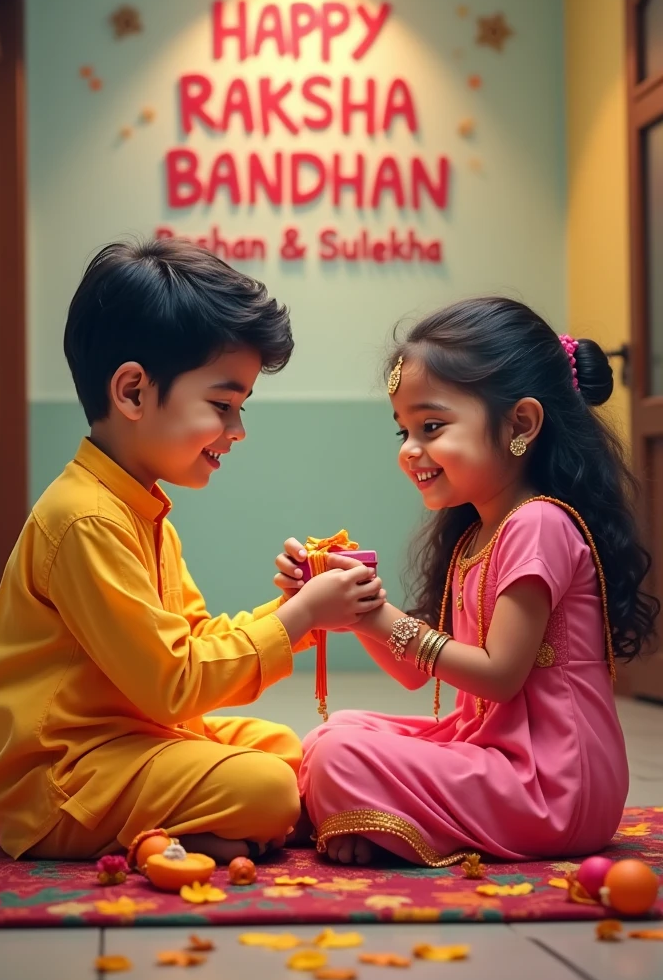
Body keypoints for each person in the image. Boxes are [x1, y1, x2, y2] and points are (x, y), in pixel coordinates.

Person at [0, 238, 384, 862]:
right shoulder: (85, 518)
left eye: (240, 408)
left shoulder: (143, 510)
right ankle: (207, 832)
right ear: (134, 392)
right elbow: (172, 684)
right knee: (271, 786)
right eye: (223, 406)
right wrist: (297, 618)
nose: (238, 431)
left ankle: (213, 835)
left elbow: (187, 643)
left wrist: (293, 617)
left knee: (288, 751)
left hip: (134, 740)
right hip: (64, 782)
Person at [276, 297, 658, 867]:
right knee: (335, 734)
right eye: (403, 430)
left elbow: (500, 677)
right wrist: (351, 604)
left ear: (520, 424)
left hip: (554, 787)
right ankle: (376, 820)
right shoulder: (475, 536)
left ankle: (380, 820)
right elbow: (412, 673)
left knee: (339, 757)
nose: (410, 451)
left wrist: (380, 619)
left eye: (431, 426)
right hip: (493, 752)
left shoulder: (538, 524)